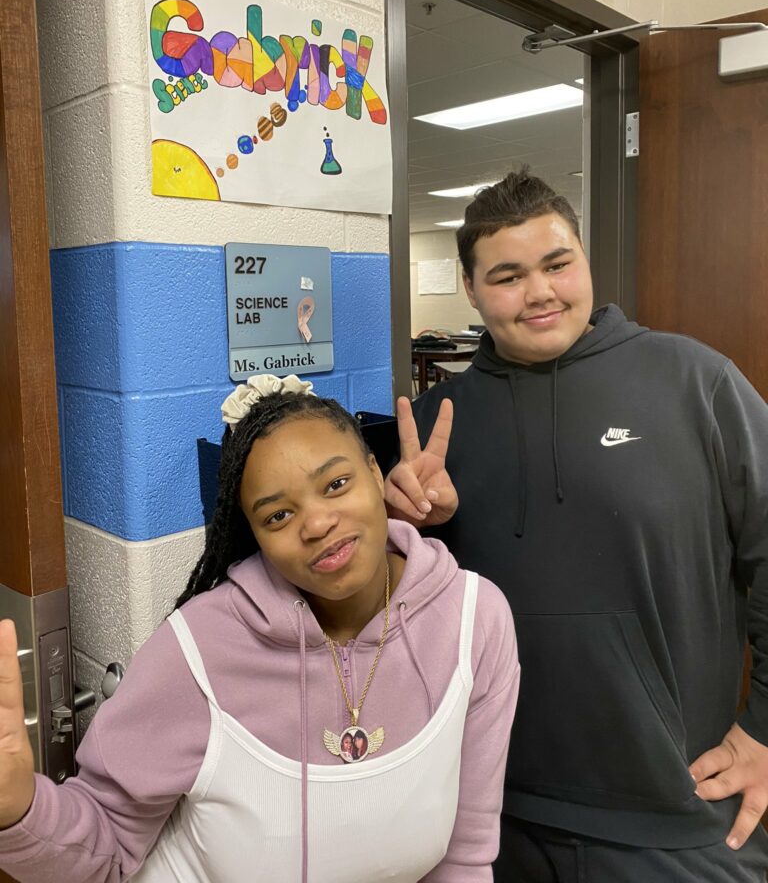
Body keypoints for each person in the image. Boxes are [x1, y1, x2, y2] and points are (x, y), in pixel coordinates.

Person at [385, 167, 768, 882]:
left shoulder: (693, 381)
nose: (540, 292)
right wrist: (410, 532)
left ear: (584, 261)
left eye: (558, 264)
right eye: (507, 275)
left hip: (675, 814)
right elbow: (413, 621)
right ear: (471, 290)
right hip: (491, 813)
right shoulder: (444, 424)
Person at [0, 375, 519, 883]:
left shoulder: (474, 620)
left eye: (336, 484)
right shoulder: (196, 651)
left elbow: (465, 856)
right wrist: (16, 810)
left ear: (375, 472)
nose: (316, 524)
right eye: (278, 516)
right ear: (254, 534)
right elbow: (104, 851)